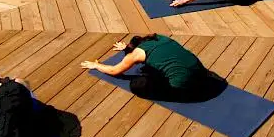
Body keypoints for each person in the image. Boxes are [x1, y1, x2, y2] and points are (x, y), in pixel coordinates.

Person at [80, 34, 215, 101]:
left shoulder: (138, 53)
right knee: (157, 66)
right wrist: (127, 48)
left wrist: (96, 65)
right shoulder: (160, 38)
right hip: (203, 75)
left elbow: (114, 70)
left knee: (137, 84)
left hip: (187, 88)